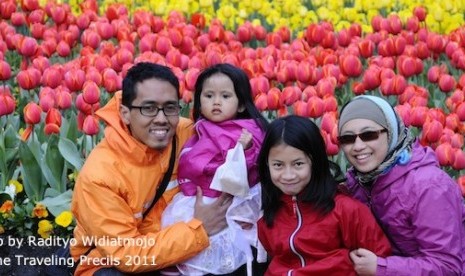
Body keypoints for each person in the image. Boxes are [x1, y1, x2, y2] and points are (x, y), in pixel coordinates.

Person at [70, 62, 232, 275]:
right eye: (149, 108)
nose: (162, 119)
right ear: (125, 113)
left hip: (176, 250)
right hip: (111, 261)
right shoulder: (100, 176)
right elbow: (126, 254)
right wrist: (199, 229)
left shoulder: (188, 134)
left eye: (170, 107)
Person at [338, 95, 465, 275]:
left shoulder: (429, 186)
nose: (357, 146)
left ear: (391, 133)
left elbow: (448, 268)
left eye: (369, 135)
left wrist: (380, 267)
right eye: (347, 138)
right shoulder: (355, 184)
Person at [161, 63, 268, 275]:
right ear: (198, 101)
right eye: (208, 96)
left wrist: (244, 150)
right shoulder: (196, 130)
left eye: (225, 96)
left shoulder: (246, 133)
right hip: (196, 200)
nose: (216, 102)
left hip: (230, 202)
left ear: (240, 104)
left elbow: (248, 170)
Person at [257, 115, 391, 276]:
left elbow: (379, 261)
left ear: (315, 161)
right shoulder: (269, 217)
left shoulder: (346, 210)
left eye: (298, 164)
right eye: (278, 165)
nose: (288, 175)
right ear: (267, 165)